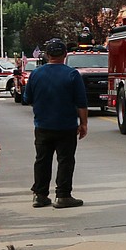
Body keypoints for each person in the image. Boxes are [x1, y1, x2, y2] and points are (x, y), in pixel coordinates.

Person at [24, 38, 88, 209]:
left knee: (42, 160)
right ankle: (63, 195)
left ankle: (40, 195)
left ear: (46, 54)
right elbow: (81, 103)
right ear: (65, 55)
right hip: (66, 126)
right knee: (65, 160)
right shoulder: (72, 74)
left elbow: (27, 98)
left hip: (42, 126)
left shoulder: (36, 74)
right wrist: (83, 124)